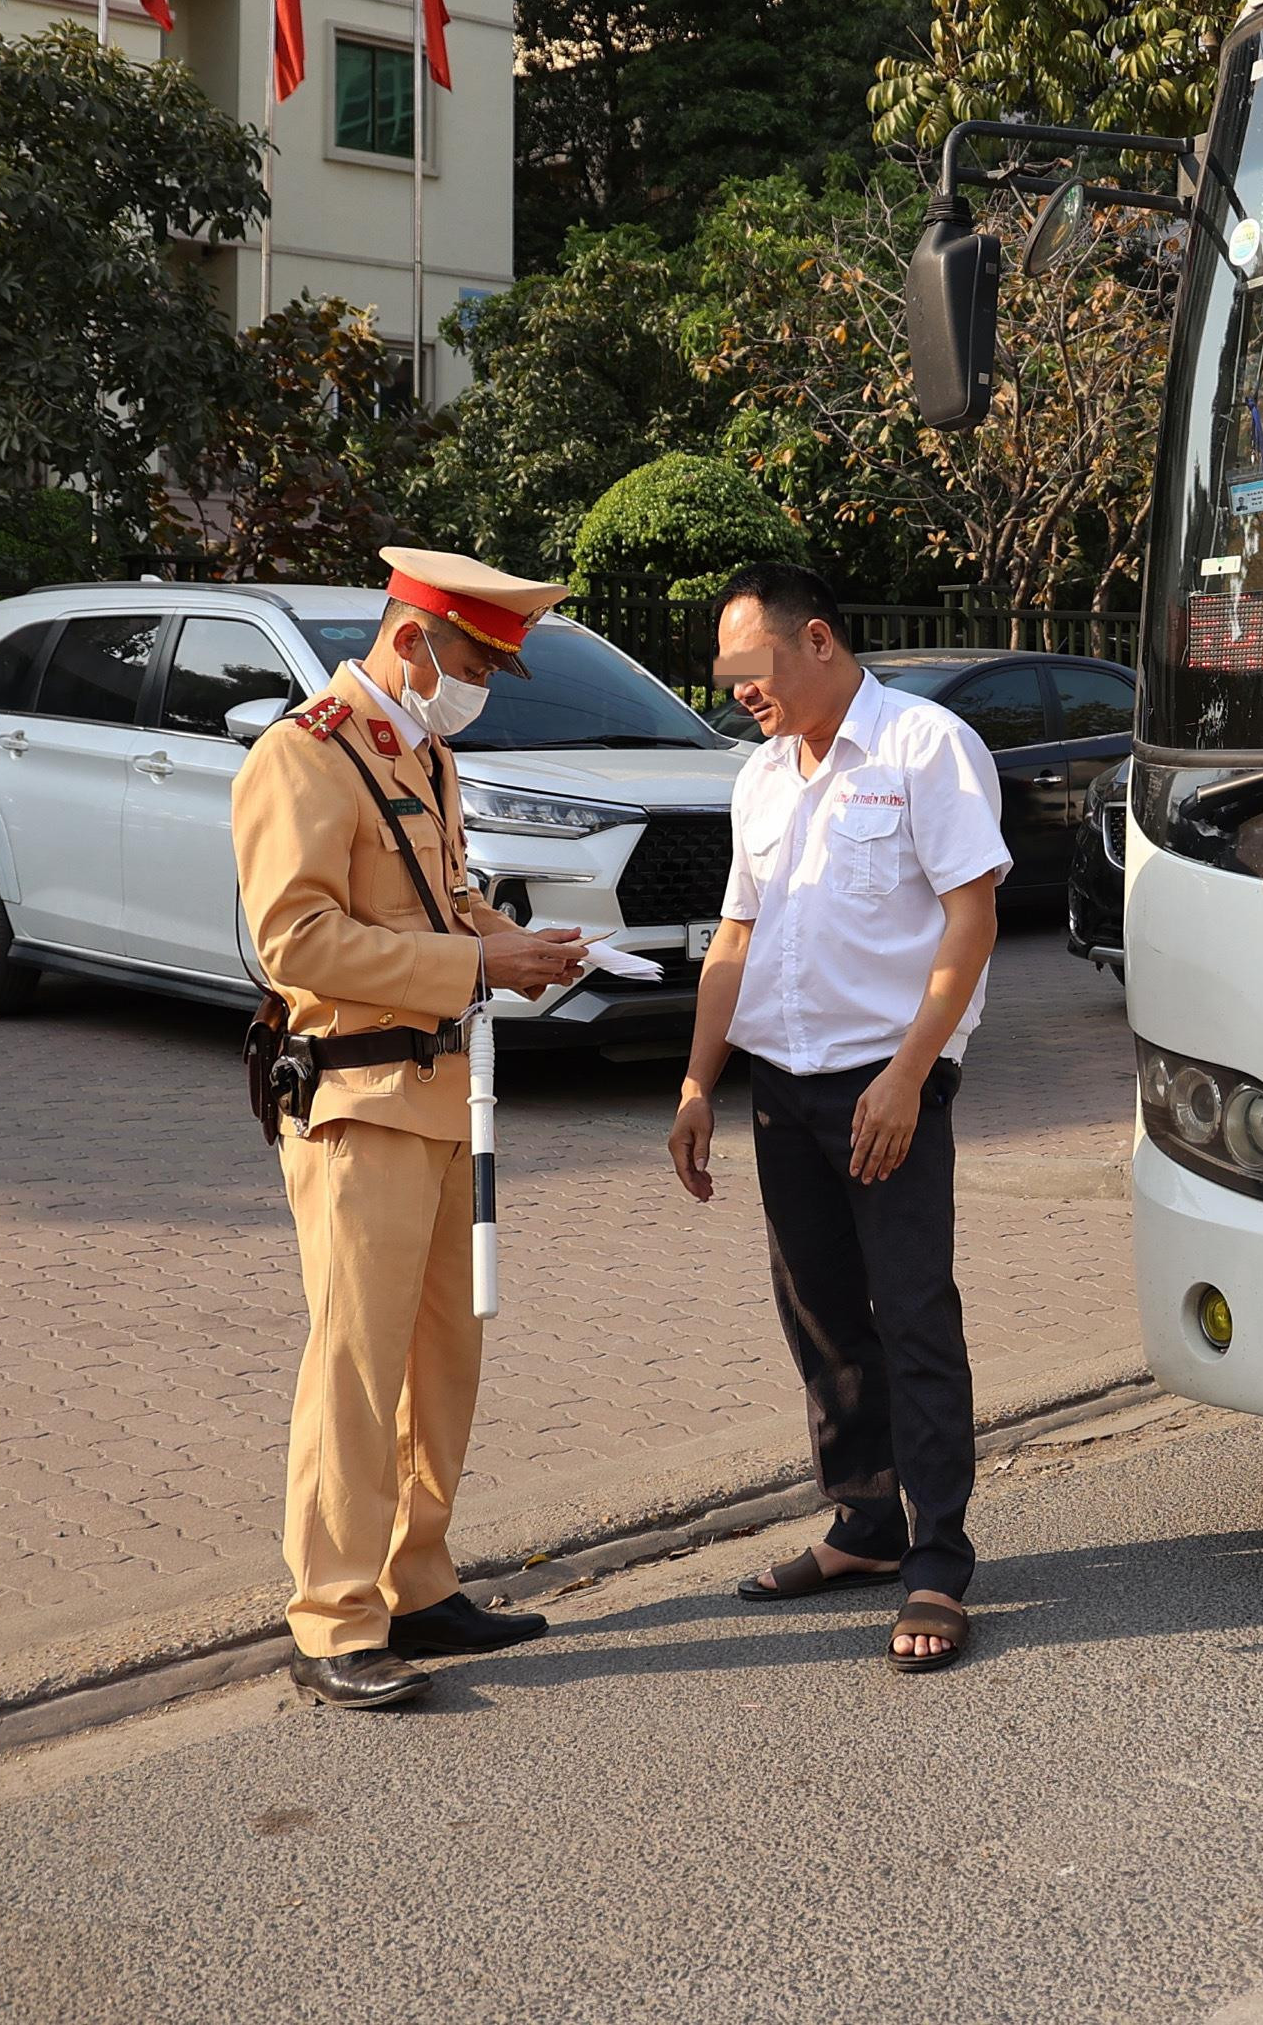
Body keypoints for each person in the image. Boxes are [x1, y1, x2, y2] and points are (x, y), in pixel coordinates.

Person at [233, 546, 593, 1711]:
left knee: (443, 1360)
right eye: (477, 659)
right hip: (356, 1105)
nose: (482, 682)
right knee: (355, 1364)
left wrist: (512, 945)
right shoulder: (302, 754)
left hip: (441, 1099)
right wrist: (474, 960)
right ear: (412, 640)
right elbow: (296, 943)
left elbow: (441, 900)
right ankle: (334, 1618)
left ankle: (416, 1581)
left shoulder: (418, 750)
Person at [667, 563, 1008, 1671]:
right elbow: (734, 941)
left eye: (751, 667)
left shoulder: (924, 747)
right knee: (817, 1314)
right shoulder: (761, 778)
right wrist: (694, 1083)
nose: (739, 694)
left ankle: (937, 1562)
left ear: (816, 641)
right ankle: (866, 1526)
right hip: (783, 1086)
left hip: (885, 1083)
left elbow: (971, 923)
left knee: (911, 1314)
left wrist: (911, 1074)